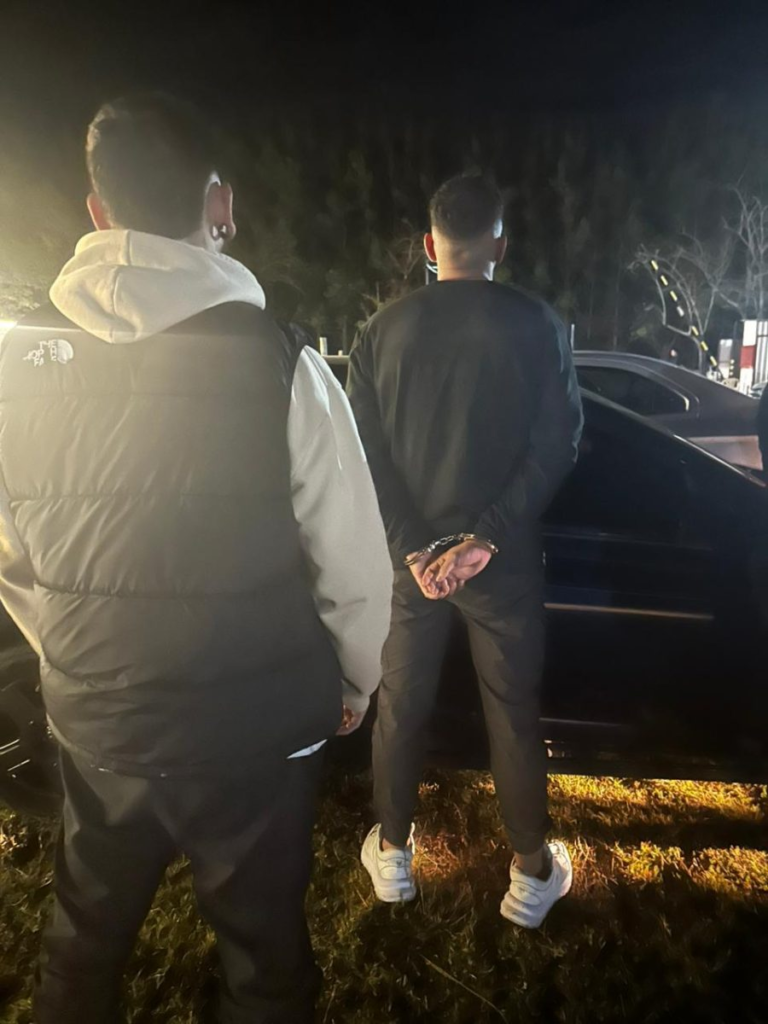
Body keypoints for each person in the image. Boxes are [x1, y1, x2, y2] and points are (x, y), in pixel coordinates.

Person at [0, 94, 392, 1024]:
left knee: (82, 943)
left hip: (100, 723)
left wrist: (74, 657)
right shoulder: (284, 365)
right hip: (254, 733)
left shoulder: (16, 371)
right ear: (219, 201)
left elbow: (15, 555)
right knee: (264, 961)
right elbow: (353, 560)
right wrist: (354, 680)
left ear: (97, 210)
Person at [347, 173, 583, 929]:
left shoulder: (381, 331)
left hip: (413, 568)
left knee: (400, 706)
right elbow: (559, 444)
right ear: (499, 245)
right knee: (512, 714)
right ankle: (532, 873)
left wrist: (415, 550)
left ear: (430, 244)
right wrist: (488, 535)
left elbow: (363, 454)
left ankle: (392, 853)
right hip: (499, 562)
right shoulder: (538, 323)